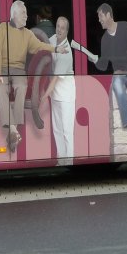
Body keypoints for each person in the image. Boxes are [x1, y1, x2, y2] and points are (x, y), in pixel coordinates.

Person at [0, 0, 65, 153]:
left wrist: (56, 49)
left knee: (22, 86)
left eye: (26, 13)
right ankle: (13, 129)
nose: (27, 16)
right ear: (14, 14)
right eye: (23, 13)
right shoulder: (2, 28)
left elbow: (40, 46)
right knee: (0, 89)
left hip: (18, 70)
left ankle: (13, 131)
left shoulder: (28, 34)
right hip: (3, 69)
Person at [87, 3, 127, 143]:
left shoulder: (124, 26)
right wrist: (95, 60)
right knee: (117, 84)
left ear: (108, 15)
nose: (99, 20)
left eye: (100, 16)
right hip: (119, 73)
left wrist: (122, 68)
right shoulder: (104, 39)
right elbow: (104, 65)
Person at [42, 16, 81, 164]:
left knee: (66, 131)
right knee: (57, 129)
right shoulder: (52, 39)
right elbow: (43, 46)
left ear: (66, 31)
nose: (59, 29)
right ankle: (60, 160)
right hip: (55, 94)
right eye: (57, 26)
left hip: (66, 94)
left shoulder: (66, 53)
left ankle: (69, 161)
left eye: (62, 28)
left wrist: (44, 95)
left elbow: (55, 79)